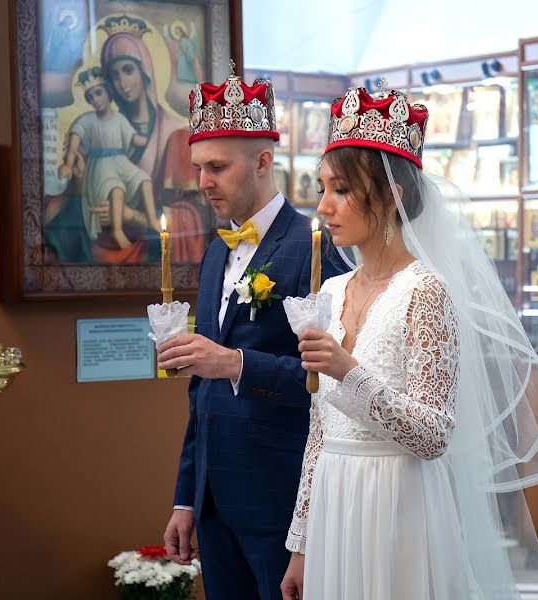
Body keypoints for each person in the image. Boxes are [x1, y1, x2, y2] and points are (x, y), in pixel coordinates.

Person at [280, 87, 538, 600]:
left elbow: (434, 434)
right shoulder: (330, 291)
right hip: (335, 504)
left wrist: (348, 370)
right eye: (322, 188)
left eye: (340, 190)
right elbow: (318, 434)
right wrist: (301, 546)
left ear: (391, 196)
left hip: (398, 503)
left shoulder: (425, 292)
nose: (323, 207)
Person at [156, 70, 347, 600]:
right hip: (213, 495)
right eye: (198, 168)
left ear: (263, 162)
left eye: (217, 167)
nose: (202, 182)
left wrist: (236, 363)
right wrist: (186, 499)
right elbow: (202, 388)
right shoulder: (216, 250)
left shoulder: (313, 248)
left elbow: (331, 381)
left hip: (279, 493)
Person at [43, 15, 210, 265]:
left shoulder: (176, 136)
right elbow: (80, 198)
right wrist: (77, 180)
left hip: (153, 252)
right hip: (98, 247)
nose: (122, 83)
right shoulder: (99, 133)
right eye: (113, 76)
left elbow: (196, 215)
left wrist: (133, 216)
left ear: (145, 71)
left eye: (128, 70)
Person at [58, 66, 160, 249]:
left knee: (145, 179)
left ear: (109, 93)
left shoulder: (120, 119)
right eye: (90, 97)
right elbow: (75, 137)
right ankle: (117, 231)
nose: (95, 100)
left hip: (121, 162)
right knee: (116, 187)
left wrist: (152, 136)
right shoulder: (87, 120)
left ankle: (153, 220)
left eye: (98, 93)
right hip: (101, 166)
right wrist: (68, 162)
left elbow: (133, 138)